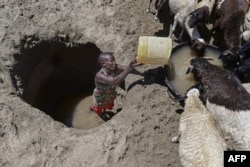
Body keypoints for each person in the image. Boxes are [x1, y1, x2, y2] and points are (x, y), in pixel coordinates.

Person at [90, 52, 141, 121]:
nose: (114, 63)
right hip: (100, 96)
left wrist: (136, 64)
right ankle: (100, 114)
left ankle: (104, 111)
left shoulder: (115, 67)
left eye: (114, 60)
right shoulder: (99, 75)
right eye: (111, 61)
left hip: (110, 93)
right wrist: (128, 70)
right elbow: (114, 82)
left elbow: (127, 68)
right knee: (99, 107)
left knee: (106, 105)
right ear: (103, 64)